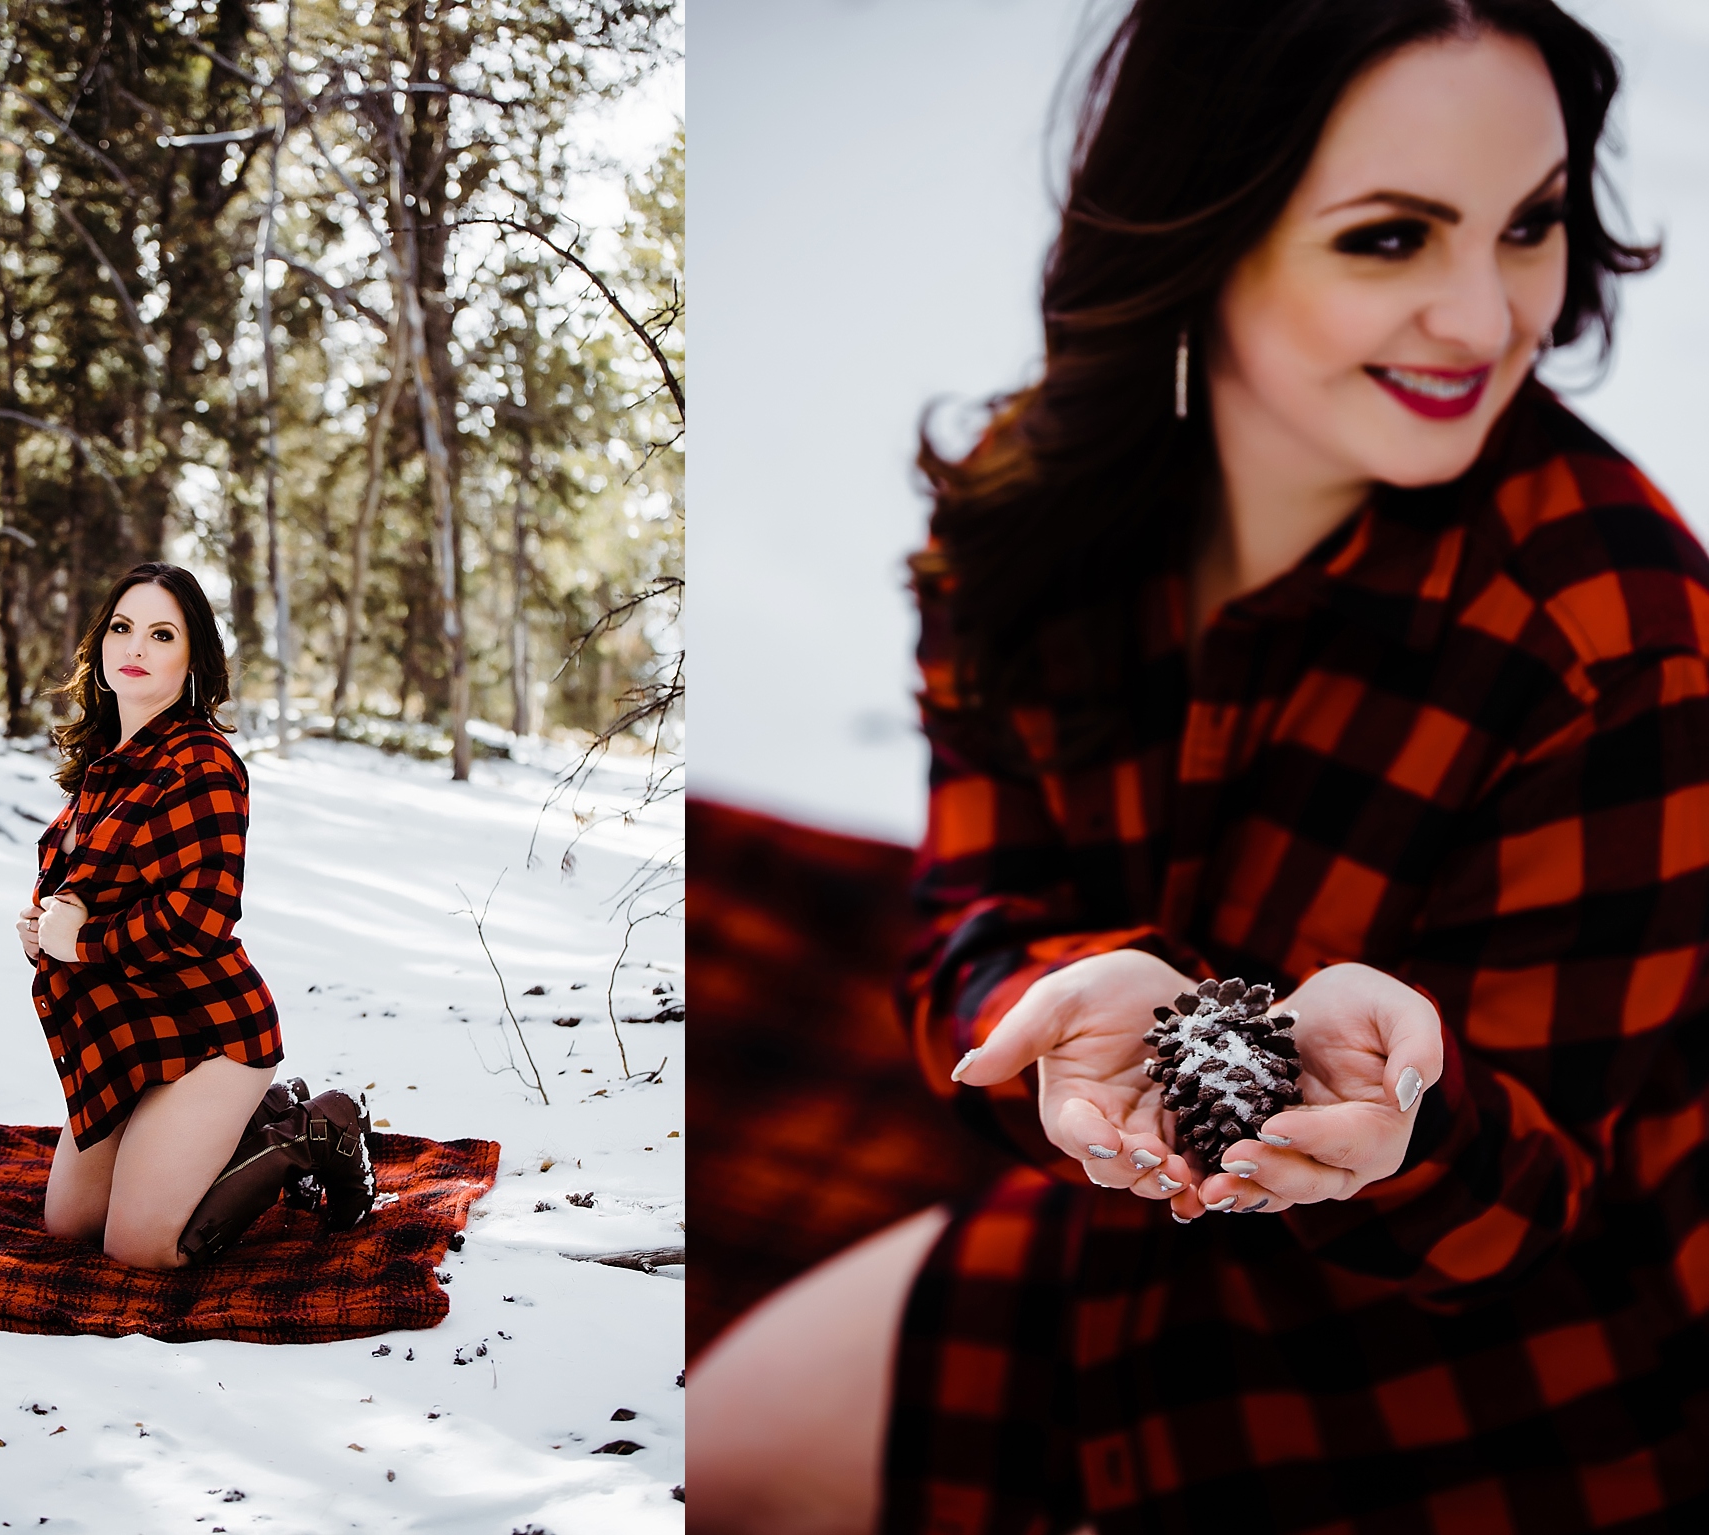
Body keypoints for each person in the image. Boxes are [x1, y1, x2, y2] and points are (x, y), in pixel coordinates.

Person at [691, 2, 1708, 1532]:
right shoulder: (1027, 515)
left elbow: (1535, 1211)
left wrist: (1404, 1128)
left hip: (1514, 1359)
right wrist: (1062, 1005)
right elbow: (979, 903)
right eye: (1388, 239)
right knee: (723, 1463)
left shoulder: (1617, 633)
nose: (1485, 317)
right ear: (1203, 222)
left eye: (1531, 224)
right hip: (1123, 1227)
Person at [15, 562, 283, 1270]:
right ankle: (192, 1138)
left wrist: (85, 942)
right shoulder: (105, 760)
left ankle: (301, 1135)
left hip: (208, 1035)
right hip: (130, 1038)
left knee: (138, 1250)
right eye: (122, 627)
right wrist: (43, 933)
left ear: (192, 656)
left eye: (161, 634)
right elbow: (89, 894)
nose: (134, 648)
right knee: (68, 1226)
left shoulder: (203, 763)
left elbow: (203, 916)